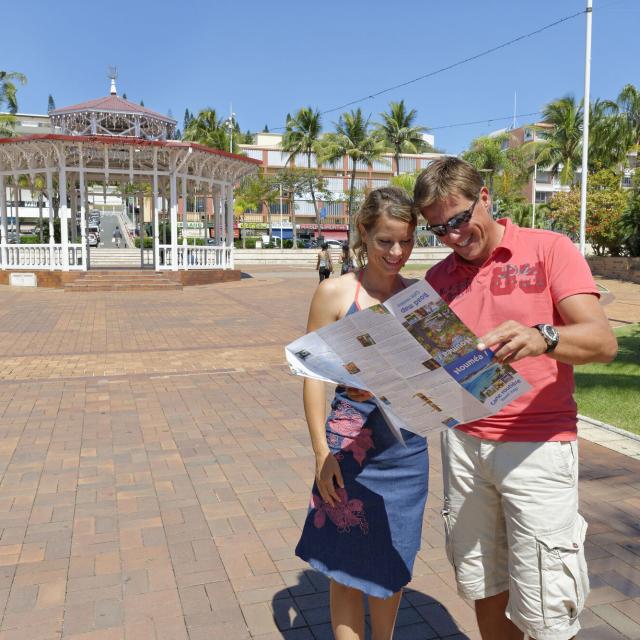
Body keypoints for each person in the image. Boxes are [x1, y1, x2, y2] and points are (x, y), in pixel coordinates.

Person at [413, 157, 618, 640]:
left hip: (537, 446)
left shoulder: (549, 249)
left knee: (548, 600)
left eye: (459, 220)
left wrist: (543, 337)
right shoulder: (438, 280)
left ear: (485, 198)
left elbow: (602, 341)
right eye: (437, 229)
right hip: (463, 445)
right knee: (484, 582)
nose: (452, 237)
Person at [295, 187, 429, 640]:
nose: (396, 253)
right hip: (348, 442)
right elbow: (314, 377)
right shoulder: (335, 293)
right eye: (384, 241)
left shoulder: (419, 299)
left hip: (407, 447)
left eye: (406, 241)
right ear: (362, 234)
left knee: (392, 560)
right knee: (344, 562)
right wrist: (320, 453)